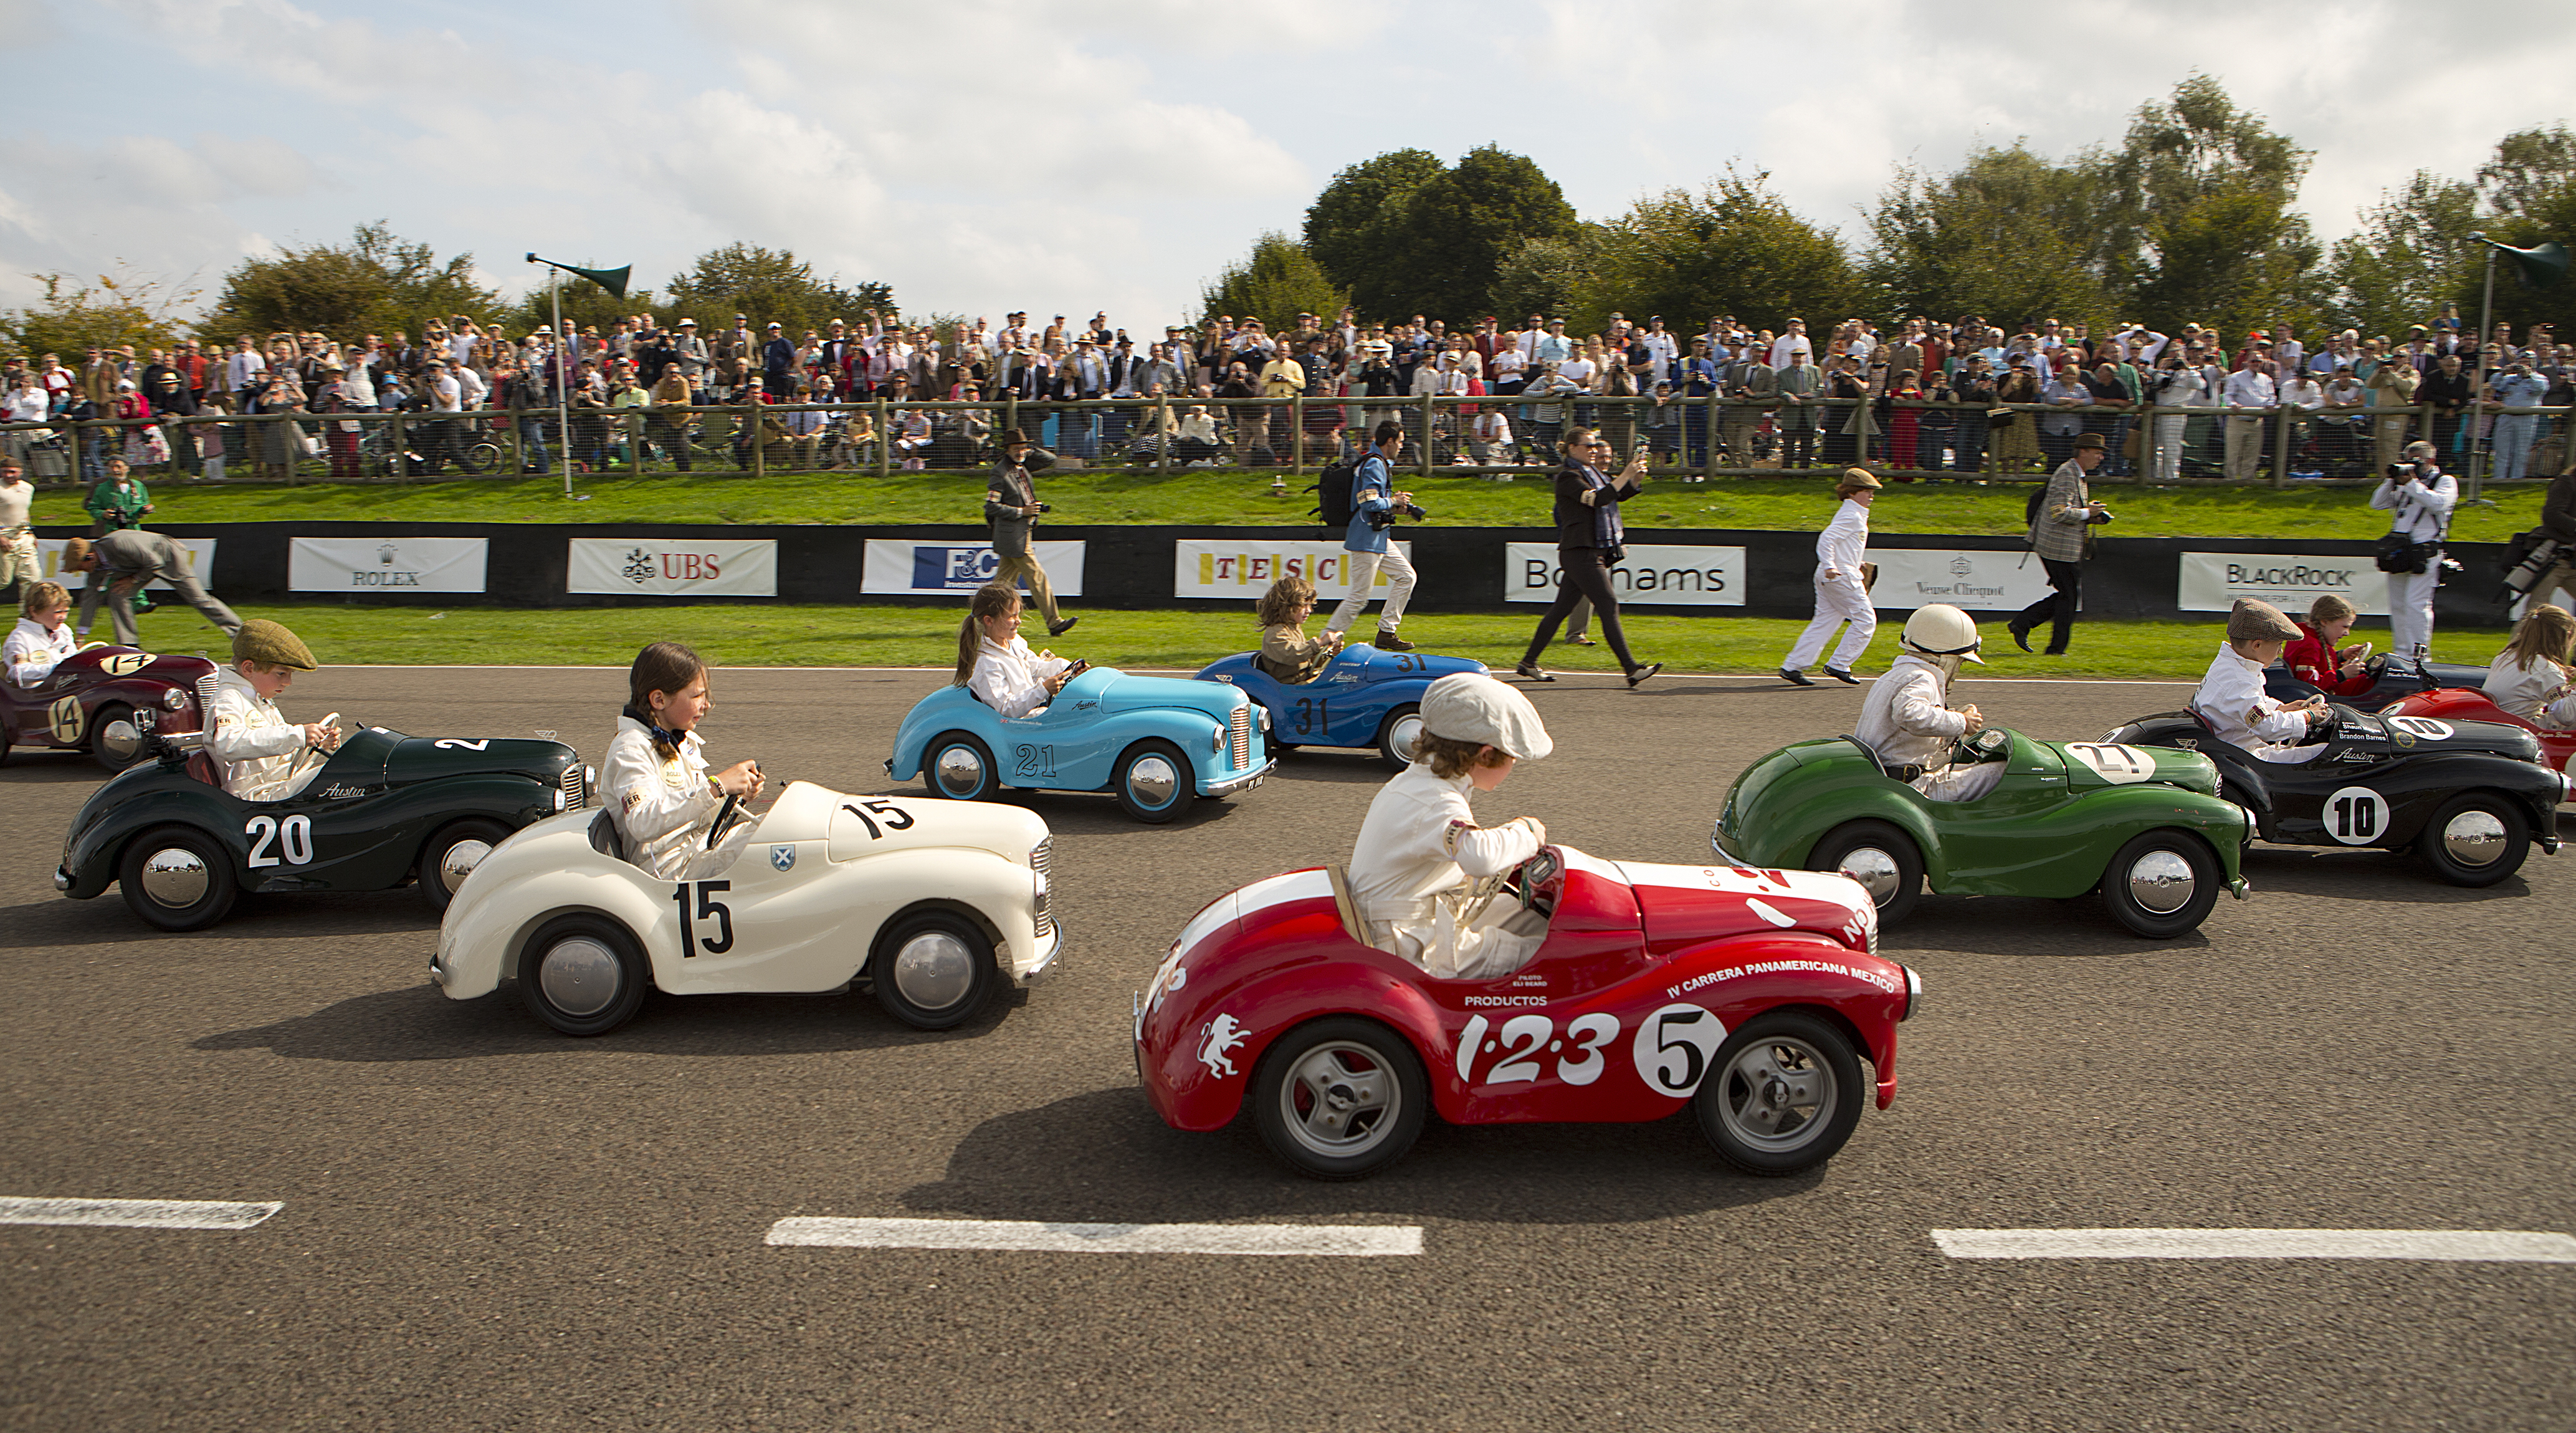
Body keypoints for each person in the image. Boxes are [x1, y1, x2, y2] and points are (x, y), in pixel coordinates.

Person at [1346, 672, 1553, 980]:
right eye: (1513, 757)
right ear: (1486, 755)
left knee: (1538, 921)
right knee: (1546, 953)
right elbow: (1479, 856)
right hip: (1406, 941)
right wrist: (1527, 832)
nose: (1514, 765)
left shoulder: (1417, 782)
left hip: (1412, 916)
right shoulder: (1436, 801)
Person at [603, 641, 766, 881]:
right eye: (697, 695)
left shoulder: (679, 740)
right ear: (659, 700)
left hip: (698, 848)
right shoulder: (631, 748)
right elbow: (642, 822)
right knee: (783, 848)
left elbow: (693, 813)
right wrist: (717, 786)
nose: (706, 704)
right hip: (670, 871)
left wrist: (735, 794)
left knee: (783, 828)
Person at [1515, 429, 1661, 686]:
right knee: (1608, 603)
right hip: (1581, 551)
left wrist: (1635, 480)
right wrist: (1625, 475)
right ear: (1572, 448)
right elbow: (1597, 499)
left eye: (1595, 447)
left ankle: (1528, 663)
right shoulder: (1569, 477)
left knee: (1560, 610)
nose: (1594, 451)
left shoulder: (1593, 474)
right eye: (1588, 446)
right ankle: (1631, 668)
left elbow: (1615, 495)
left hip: (1589, 551)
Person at [1853, 603, 2001, 802]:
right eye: (1961, 662)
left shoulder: (1896, 674)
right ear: (1946, 656)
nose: (1959, 668)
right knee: (2000, 771)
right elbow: (1909, 715)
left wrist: (1954, 722)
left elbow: (1908, 732)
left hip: (1888, 777)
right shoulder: (1922, 678)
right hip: (1908, 787)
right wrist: (1962, 722)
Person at [208, 620, 343, 801]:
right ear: (249, 668)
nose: (288, 682)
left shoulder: (260, 700)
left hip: (276, 783)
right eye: (281, 673)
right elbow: (228, 744)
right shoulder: (229, 698)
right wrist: (298, 735)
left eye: (290, 675)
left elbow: (277, 750)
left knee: (349, 770)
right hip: (252, 796)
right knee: (343, 778)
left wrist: (318, 744)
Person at [2008, 432, 2112, 654]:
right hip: (2058, 547)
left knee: (2067, 596)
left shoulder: (2076, 473)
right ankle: (2051, 645)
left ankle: (2026, 626)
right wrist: (2087, 512)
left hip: (2063, 547)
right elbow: (2059, 513)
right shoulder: (2068, 474)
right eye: (2097, 453)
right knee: (2068, 597)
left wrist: (2091, 516)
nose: (2100, 458)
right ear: (2083, 451)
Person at [1320, 420, 1418, 652]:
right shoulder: (1375, 464)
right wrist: (1393, 501)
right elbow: (1367, 501)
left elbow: (1373, 502)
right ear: (1390, 441)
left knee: (1407, 577)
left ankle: (1387, 632)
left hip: (1377, 537)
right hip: (1367, 538)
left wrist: (1394, 508)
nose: (1402, 447)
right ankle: (1325, 642)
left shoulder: (1377, 462)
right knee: (1358, 598)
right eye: (1400, 442)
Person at [2193, 599, 2329, 761]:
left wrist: (2281, 708)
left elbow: (2247, 703)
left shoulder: (2230, 665)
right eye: (2279, 644)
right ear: (2257, 645)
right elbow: (2266, 727)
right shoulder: (2239, 681)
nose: (2281, 650)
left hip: (2240, 748)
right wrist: (2308, 716)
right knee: (2327, 755)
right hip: (2245, 757)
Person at [1780, 468, 1880, 686]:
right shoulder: (1852, 515)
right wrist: (1830, 565)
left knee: (1824, 622)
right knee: (1866, 620)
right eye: (1866, 491)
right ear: (1852, 493)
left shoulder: (1853, 513)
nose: (1871, 496)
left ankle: (1792, 666)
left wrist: (1854, 561)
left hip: (1835, 574)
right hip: (1841, 576)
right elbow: (1827, 539)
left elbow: (1839, 542)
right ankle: (1839, 664)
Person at [61, 530, 241, 648]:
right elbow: (90, 597)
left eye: (79, 567)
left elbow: (155, 562)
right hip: (140, 567)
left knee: (200, 600)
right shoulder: (95, 568)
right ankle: (130, 646)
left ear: (89, 557)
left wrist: (133, 580)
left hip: (168, 556)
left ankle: (240, 634)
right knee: (118, 595)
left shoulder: (119, 543)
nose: (80, 571)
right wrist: (81, 635)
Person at [985, 429, 1076, 637]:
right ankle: (1054, 622)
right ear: (1006, 450)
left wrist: (1028, 448)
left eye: (1023, 448)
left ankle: (977, 618)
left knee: (1000, 587)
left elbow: (1050, 459)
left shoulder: (1022, 466)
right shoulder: (1000, 472)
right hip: (1013, 535)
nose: (1020, 452)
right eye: (1016, 449)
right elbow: (991, 507)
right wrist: (1021, 512)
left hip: (1021, 532)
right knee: (1037, 577)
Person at [2371, 439, 2456, 659]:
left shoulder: (2444, 481)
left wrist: (2412, 483)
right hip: (2400, 549)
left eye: (2416, 462)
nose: (2411, 467)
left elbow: (2439, 504)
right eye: (2407, 461)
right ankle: (2402, 653)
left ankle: (2420, 655)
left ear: (2431, 461)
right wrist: (2391, 480)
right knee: (2398, 605)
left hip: (2425, 551)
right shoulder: (2402, 484)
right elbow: (2377, 504)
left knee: (2416, 605)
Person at [955, 582, 1074, 718]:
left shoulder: (1016, 642)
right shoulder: (988, 663)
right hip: (1017, 724)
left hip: (1035, 712)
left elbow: (1037, 667)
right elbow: (1005, 708)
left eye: (1018, 615)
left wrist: (1069, 669)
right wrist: (1043, 689)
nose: (1019, 621)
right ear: (989, 621)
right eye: (1011, 617)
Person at [2484, 603, 2576, 728]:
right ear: (2567, 635)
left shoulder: (2506, 656)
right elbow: (2567, 716)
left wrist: (2561, 681)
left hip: (2499, 723)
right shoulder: (2546, 669)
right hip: (2523, 730)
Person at [1252, 574, 1343, 684]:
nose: (1309, 610)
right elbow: (1292, 655)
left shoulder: (1294, 628)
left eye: (1310, 605)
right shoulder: (1276, 633)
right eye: (1304, 605)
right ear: (1286, 606)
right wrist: (1319, 643)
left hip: (1303, 679)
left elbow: (1306, 661)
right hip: (1289, 686)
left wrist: (1329, 653)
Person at [2285, 593, 2375, 697]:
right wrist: (2342, 675)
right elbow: (2308, 686)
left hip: (2325, 693)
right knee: (2373, 680)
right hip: (2319, 700)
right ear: (2324, 622)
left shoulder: (2308, 637)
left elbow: (2319, 665)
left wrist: (2342, 656)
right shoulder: (2309, 645)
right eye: (2345, 627)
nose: (2347, 633)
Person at [4, 580, 76, 686]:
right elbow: (18, 673)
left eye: (66, 612)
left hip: (66, 690)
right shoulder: (20, 637)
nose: (63, 617)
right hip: (37, 697)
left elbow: (74, 660)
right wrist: (56, 669)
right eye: (58, 612)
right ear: (34, 611)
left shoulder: (63, 630)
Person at [0, 455, 34, 610]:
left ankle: (27, 615)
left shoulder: (28, 488)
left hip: (24, 536)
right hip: (4, 537)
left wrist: (30, 532)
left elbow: (25, 511)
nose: (8, 475)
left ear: (20, 471)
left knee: (33, 578)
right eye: (5, 472)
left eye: (12, 472)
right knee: (4, 581)